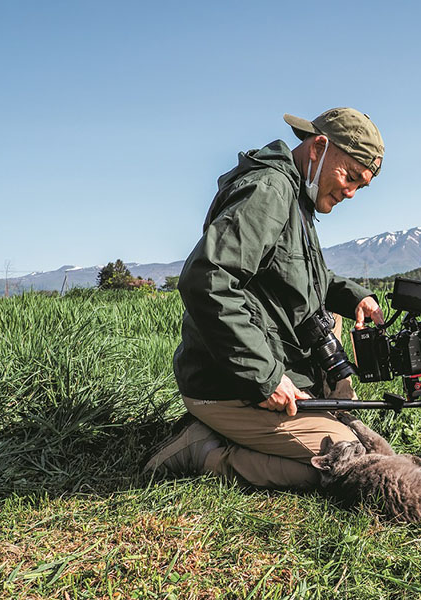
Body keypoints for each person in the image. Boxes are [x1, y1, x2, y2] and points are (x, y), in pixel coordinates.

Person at [145, 108, 385, 489]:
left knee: (330, 325)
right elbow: (207, 279)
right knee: (344, 461)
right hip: (227, 386)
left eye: (362, 185)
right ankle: (203, 450)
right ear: (319, 147)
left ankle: (275, 422)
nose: (351, 192)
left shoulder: (297, 198)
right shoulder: (270, 190)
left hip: (257, 369)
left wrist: (356, 297)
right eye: (350, 176)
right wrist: (266, 377)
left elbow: (307, 277)